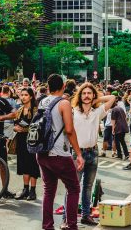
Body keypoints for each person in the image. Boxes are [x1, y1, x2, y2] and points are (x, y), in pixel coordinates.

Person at [37, 74, 84, 230]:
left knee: (48, 190)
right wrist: (78, 153)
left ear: (48, 87)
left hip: (42, 152)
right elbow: (69, 130)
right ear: (63, 86)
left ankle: (47, 226)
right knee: (74, 188)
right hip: (59, 153)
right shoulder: (64, 103)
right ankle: (71, 225)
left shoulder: (43, 101)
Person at [69, 82, 115, 226]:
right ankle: (68, 217)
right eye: (84, 93)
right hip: (78, 153)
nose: (87, 96)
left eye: (89, 93)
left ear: (93, 95)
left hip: (93, 152)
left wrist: (97, 100)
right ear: (79, 95)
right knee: (73, 186)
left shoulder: (97, 112)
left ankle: (85, 215)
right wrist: (78, 154)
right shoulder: (73, 111)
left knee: (88, 186)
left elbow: (112, 98)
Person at [13, 88, 40, 201]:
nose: (23, 97)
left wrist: (23, 130)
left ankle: (33, 191)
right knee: (23, 164)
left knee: (32, 165)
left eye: (25, 95)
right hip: (21, 141)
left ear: (31, 97)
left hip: (33, 141)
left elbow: (38, 127)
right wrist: (15, 128)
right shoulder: (19, 109)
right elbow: (15, 123)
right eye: (21, 95)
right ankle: (25, 189)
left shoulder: (35, 110)